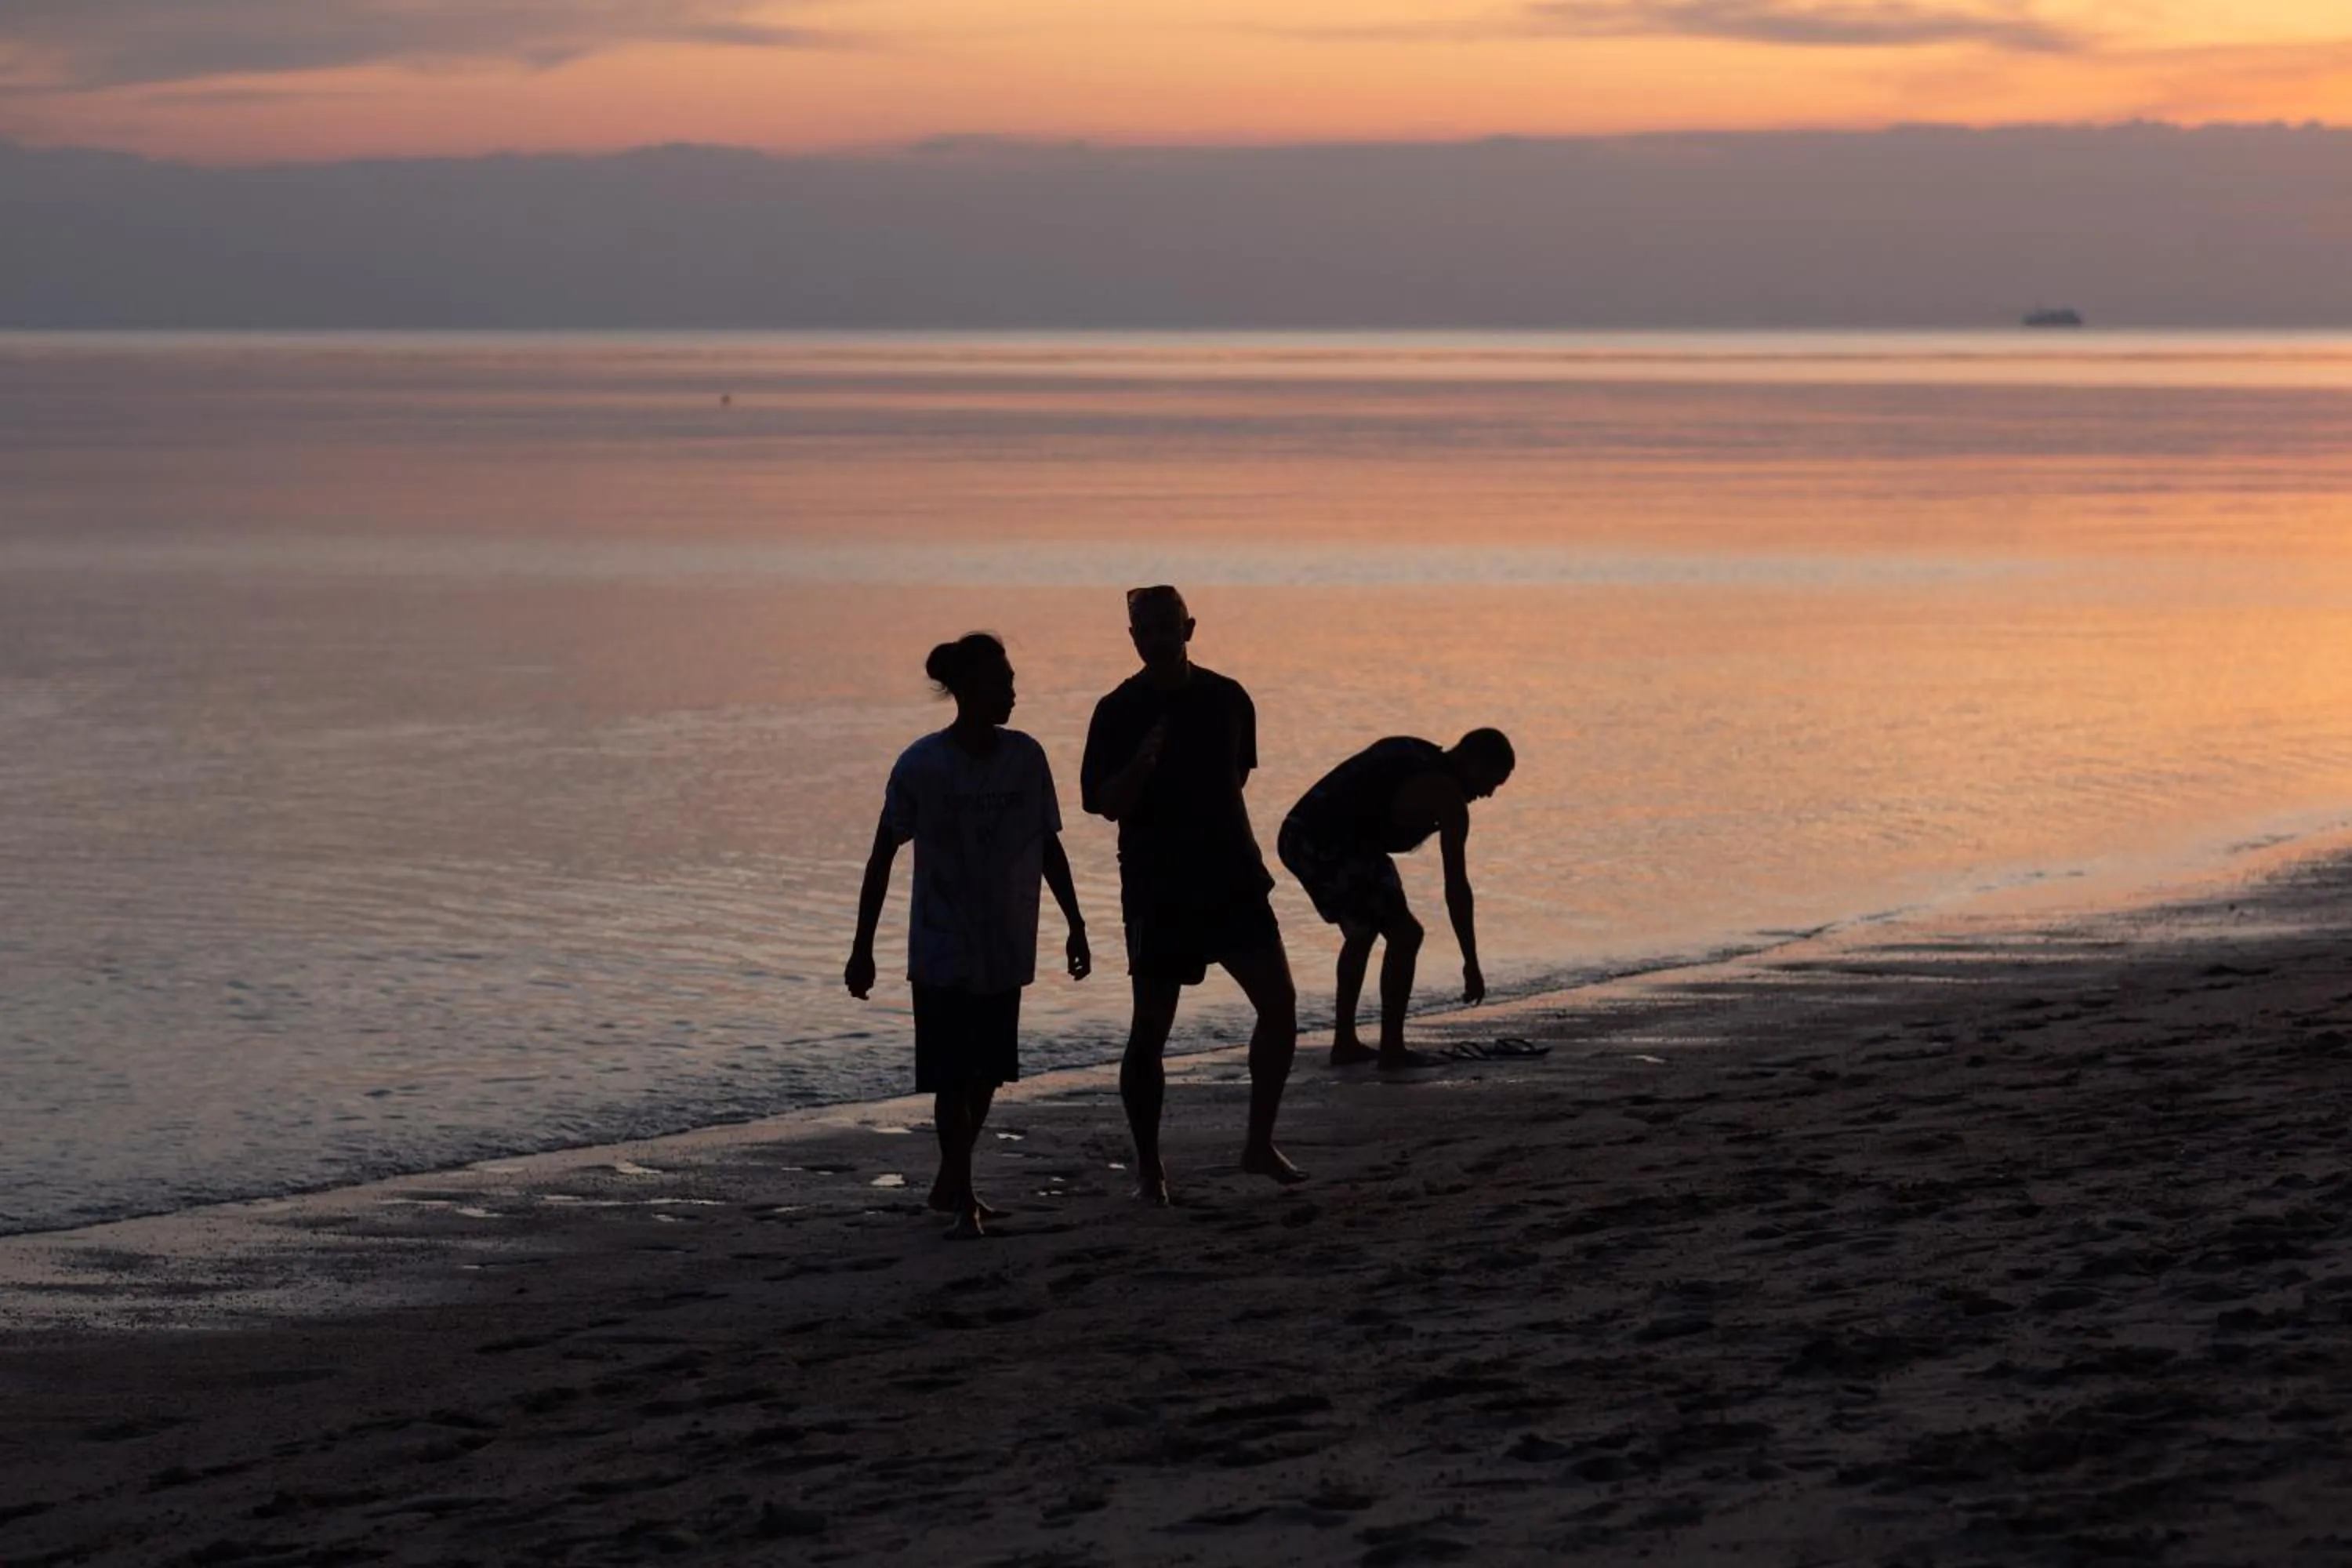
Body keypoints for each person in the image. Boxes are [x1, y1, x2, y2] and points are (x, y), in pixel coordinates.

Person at [845, 633, 1091, 1239]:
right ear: (966, 691)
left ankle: (951, 1179)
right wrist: (862, 948)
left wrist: (1077, 923)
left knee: (987, 1073)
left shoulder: (1026, 757)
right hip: (940, 943)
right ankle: (963, 1198)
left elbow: (1047, 844)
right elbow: (882, 856)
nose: (1012, 691)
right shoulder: (922, 765)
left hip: (1005, 941)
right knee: (952, 1076)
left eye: (1010, 680)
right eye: (999, 682)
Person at [1080, 586, 1301, 1202]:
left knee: (1280, 1006)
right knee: (1150, 1029)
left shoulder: (1228, 698)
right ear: (1131, 638)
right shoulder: (1117, 710)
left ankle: (1259, 1144)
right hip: (1159, 887)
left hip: (1233, 876)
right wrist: (1141, 768)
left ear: (1189, 628)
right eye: (1143, 630)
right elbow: (1102, 804)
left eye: (1165, 627)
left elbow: (1237, 779)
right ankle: (1150, 1169)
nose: (1155, 639)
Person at [1276, 729, 1515, 1069]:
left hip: (1303, 832)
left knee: (1364, 930)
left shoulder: (1418, 752)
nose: (1489, 793)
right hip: (1321, 840)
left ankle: (1346, 1043)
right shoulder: (1447, 796)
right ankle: (1391, 1049)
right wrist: (1471, 963)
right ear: (1472, 760)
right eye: (1493, 780)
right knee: (1405, 934)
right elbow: (1456, 887)